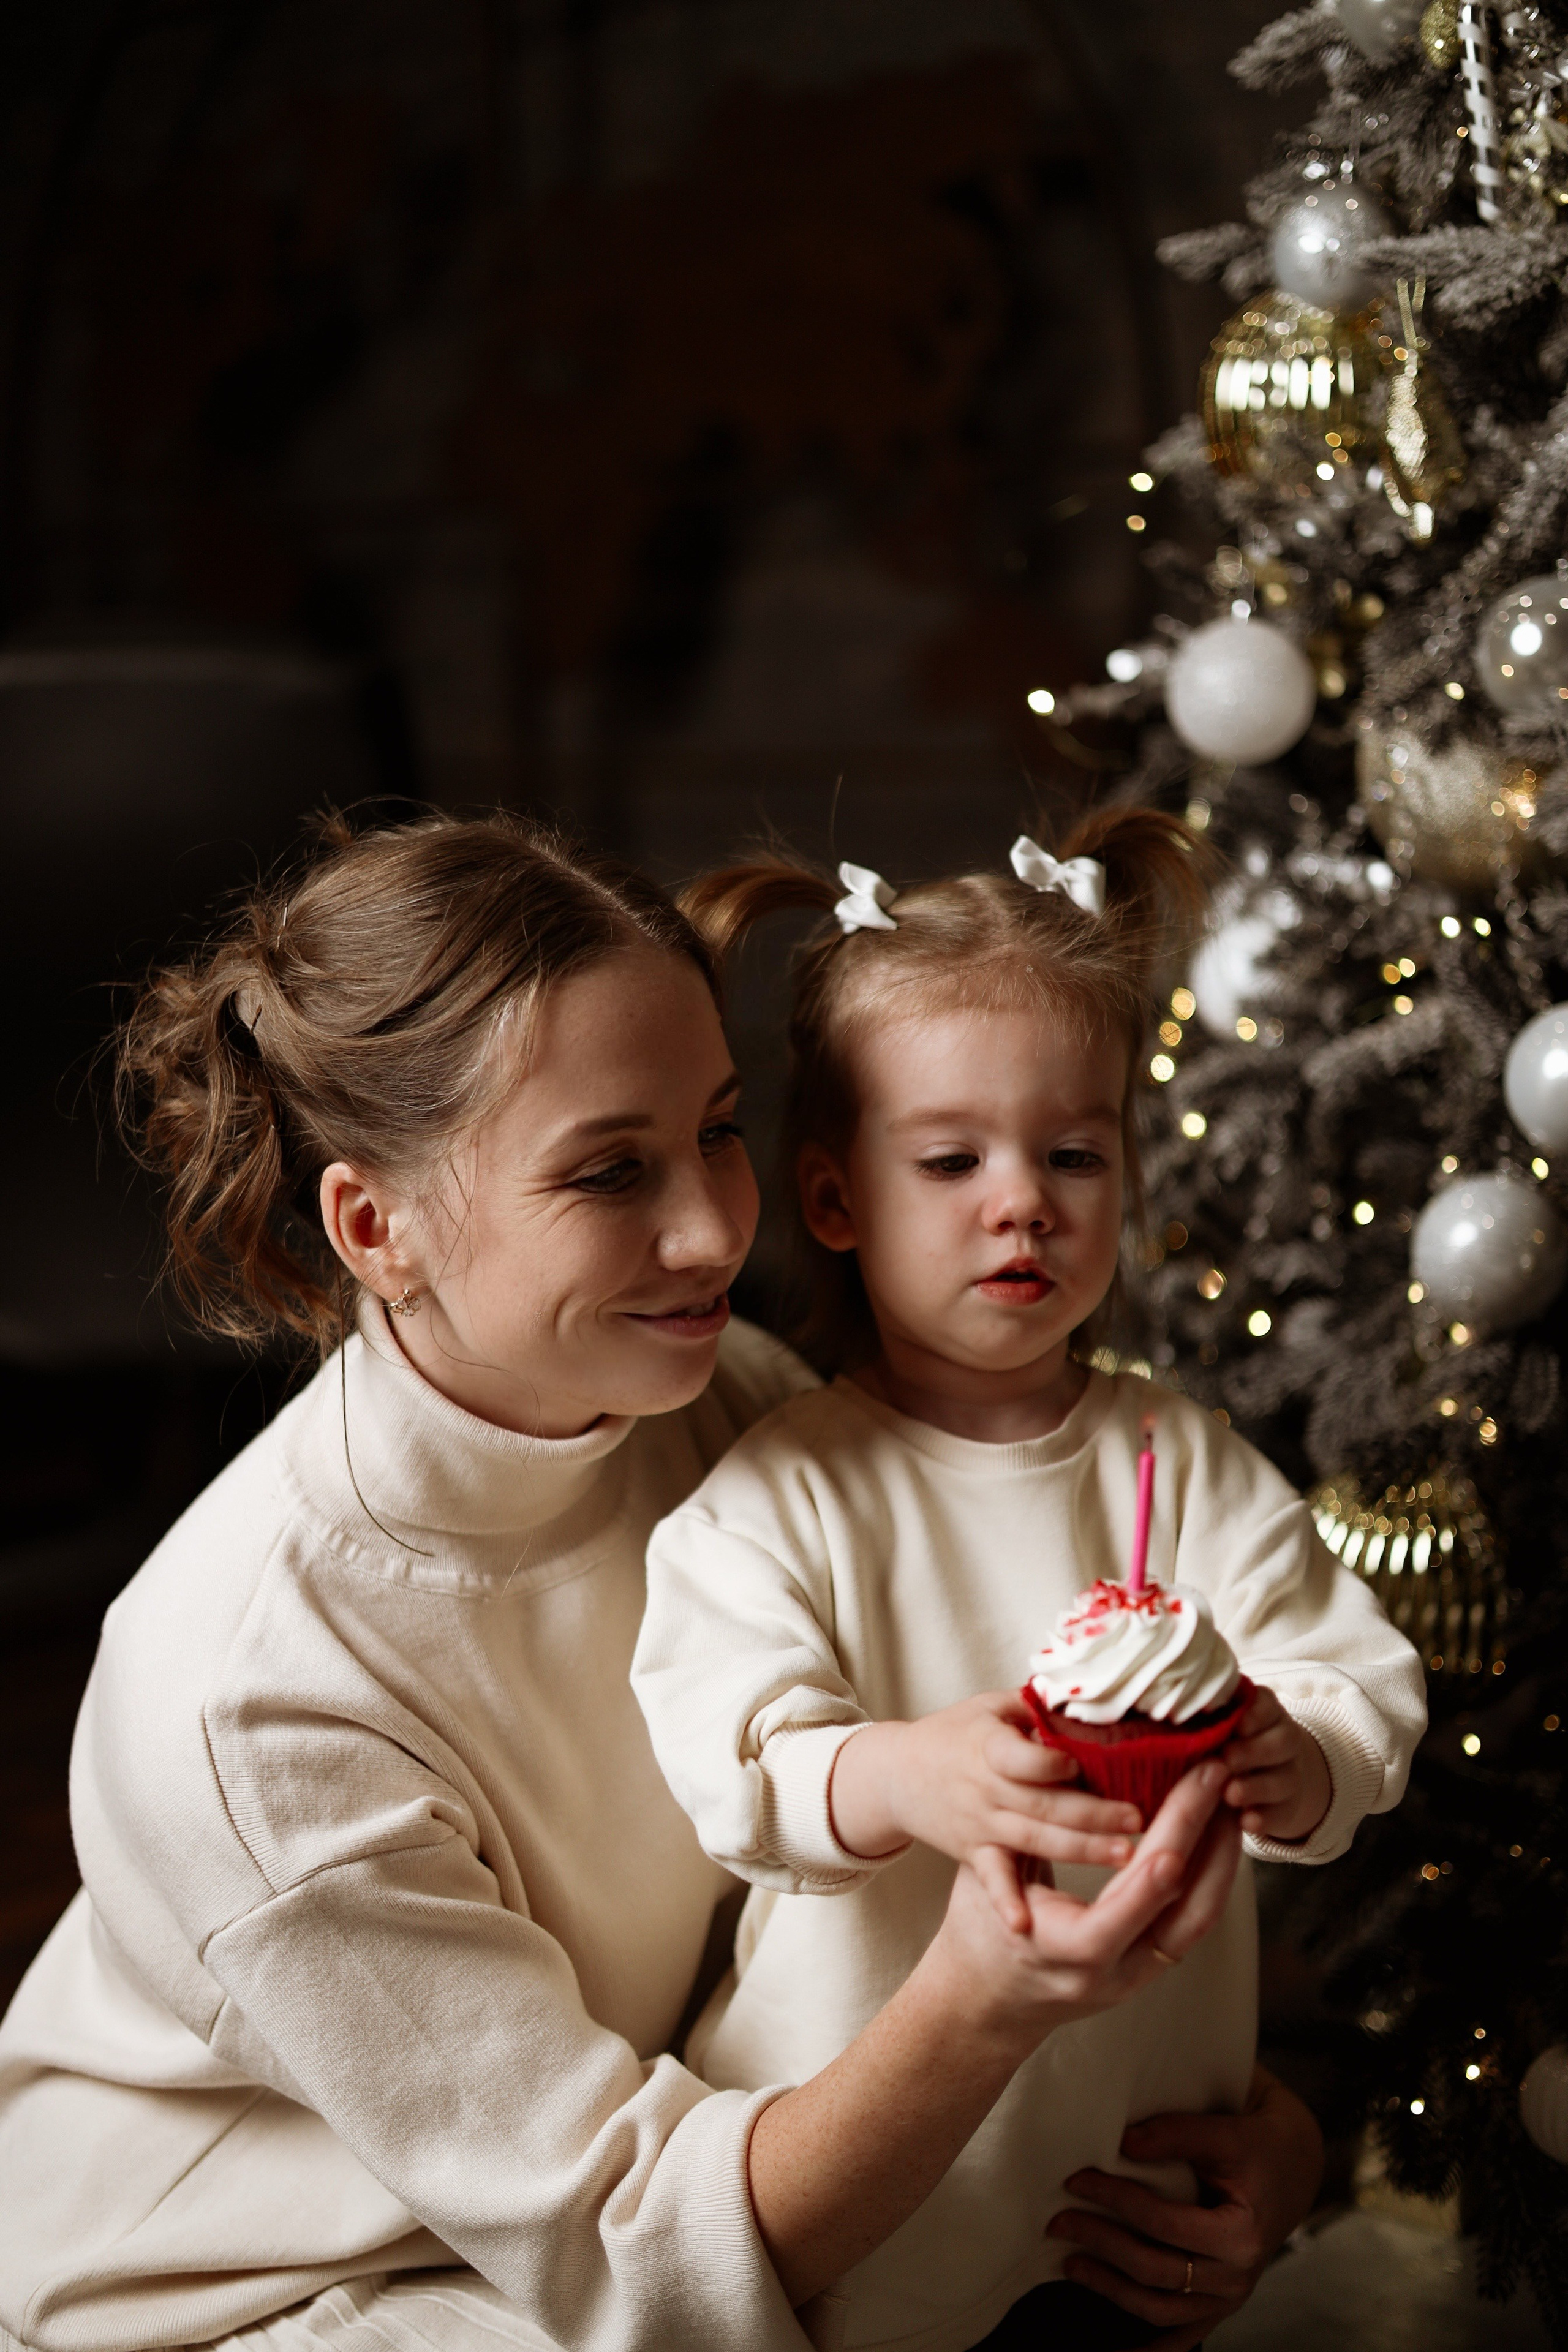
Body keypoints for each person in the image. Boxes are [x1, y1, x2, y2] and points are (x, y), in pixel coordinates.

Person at [0, 811, 1280, 2352]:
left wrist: (1262, 2140)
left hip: (655, 2173)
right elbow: (650, 2265)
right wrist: (983, 2005)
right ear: (375, 1227)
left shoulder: (731, 1406)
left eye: (720, 1131)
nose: (714, 1229)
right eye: (610, 1172)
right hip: (268, 2297)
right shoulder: (245, 1706)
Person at [632, 813, 1429, 2351]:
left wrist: (1306, 1752)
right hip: (871, 2165)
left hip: (1127, 2164)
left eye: (1073, 1154)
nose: (1024, 1202)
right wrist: (900, 1773)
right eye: (952, 1160)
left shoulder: (1177, 1464)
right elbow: (733, 1767)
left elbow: (1350, 1675)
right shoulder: (783, 1494)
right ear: (834, 1200)